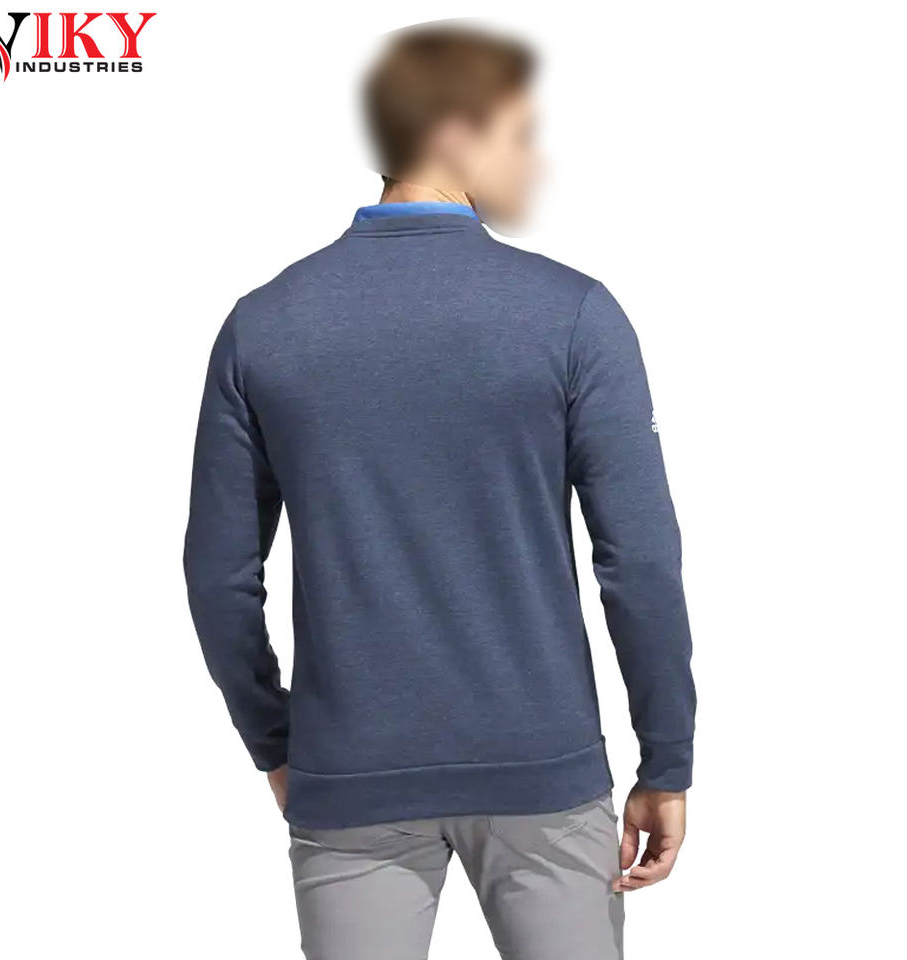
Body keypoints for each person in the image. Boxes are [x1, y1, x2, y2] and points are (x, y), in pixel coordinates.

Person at [184, 21, 695, 960]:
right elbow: (642, 562)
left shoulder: (263, 326)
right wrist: (666, 759)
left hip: (351, 776)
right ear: (455, 133)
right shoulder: (575, 314)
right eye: (520, 133)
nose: (534, 159)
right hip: (543, 773)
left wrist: (278, 745)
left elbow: (218, 577)